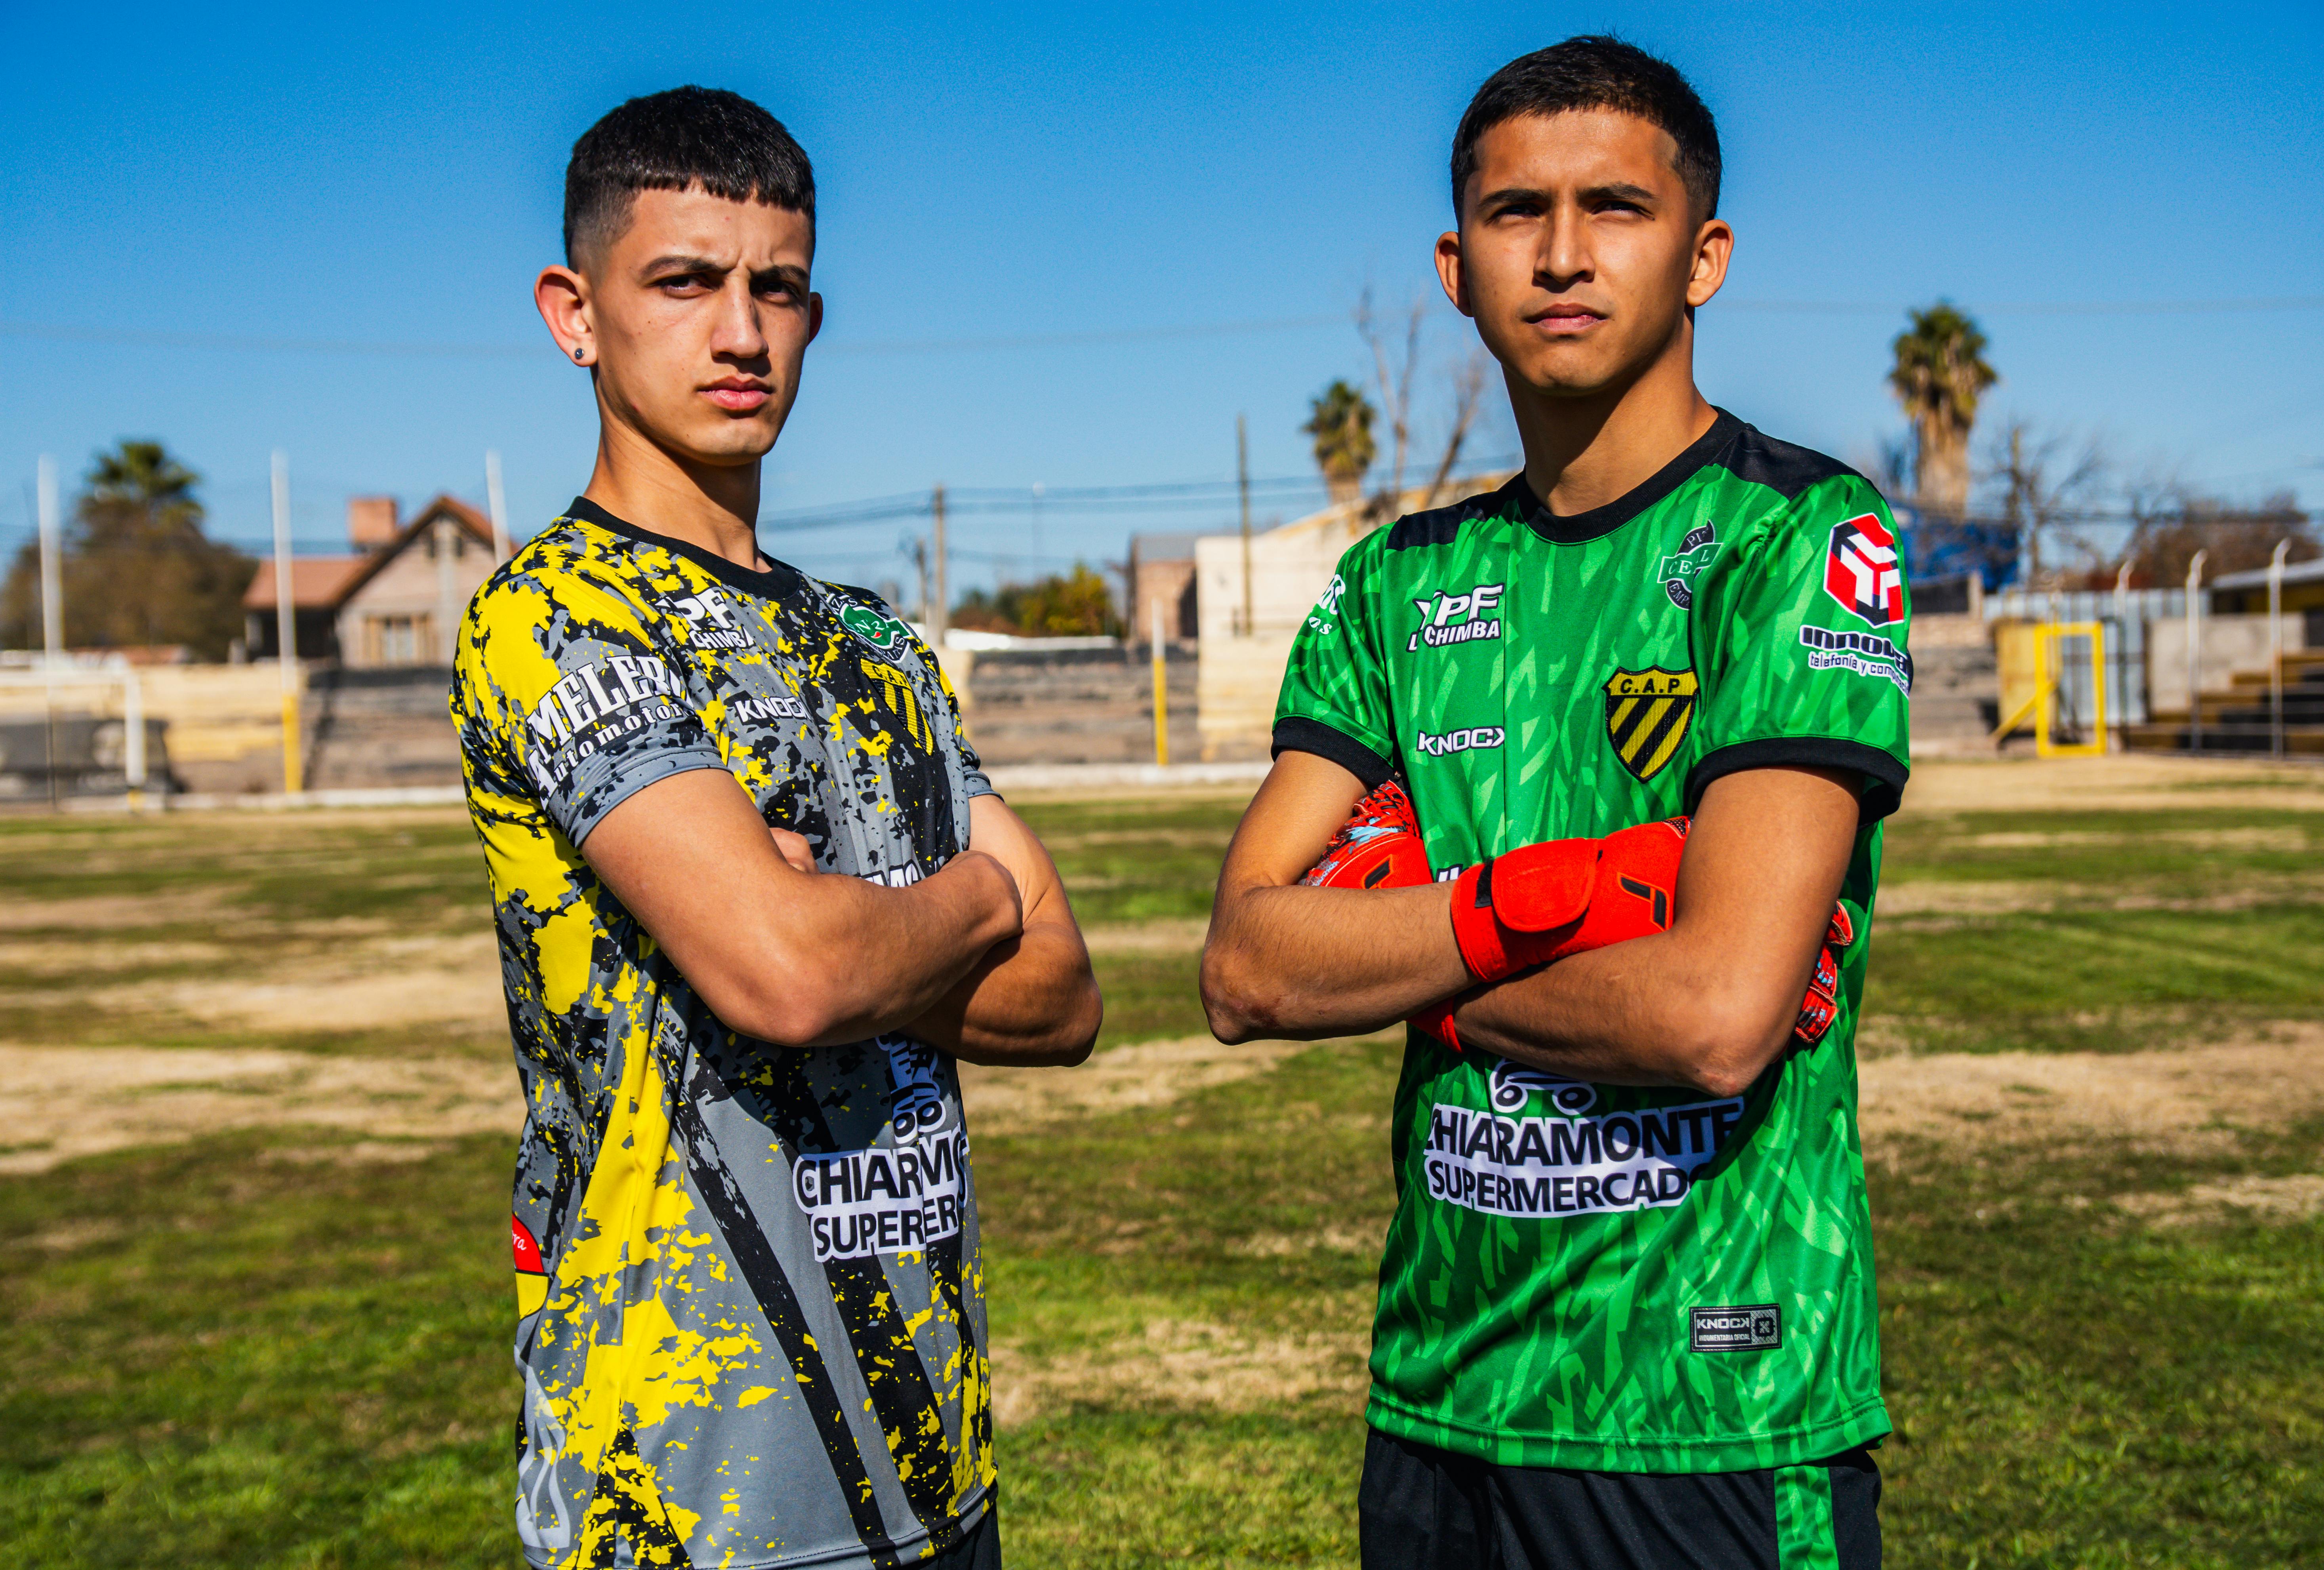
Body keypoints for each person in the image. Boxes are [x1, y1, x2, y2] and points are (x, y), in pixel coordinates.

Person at [1200, 36, 1908, 1570]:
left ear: (1701, 254)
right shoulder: (1395, 585)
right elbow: (1248, 966)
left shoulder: (1796, 536)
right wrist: (1553, 903)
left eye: (1616, 208)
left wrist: (1412, 965)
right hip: (1440, 1391)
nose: (1564, 254)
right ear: (1456, 267)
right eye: (1518, 213)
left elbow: (1716, 1010)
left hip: (1709, 1401)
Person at [450, 86, 1099, 1570]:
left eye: (777, 287)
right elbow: (793, 977)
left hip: (933, 1448)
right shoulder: (553, 616)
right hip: (679, 1480)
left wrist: (848, 916)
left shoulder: (875, 644)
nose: (740, 332)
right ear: (576, 311)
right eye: (682, 282)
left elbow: (1067, 998)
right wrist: (970, 901)